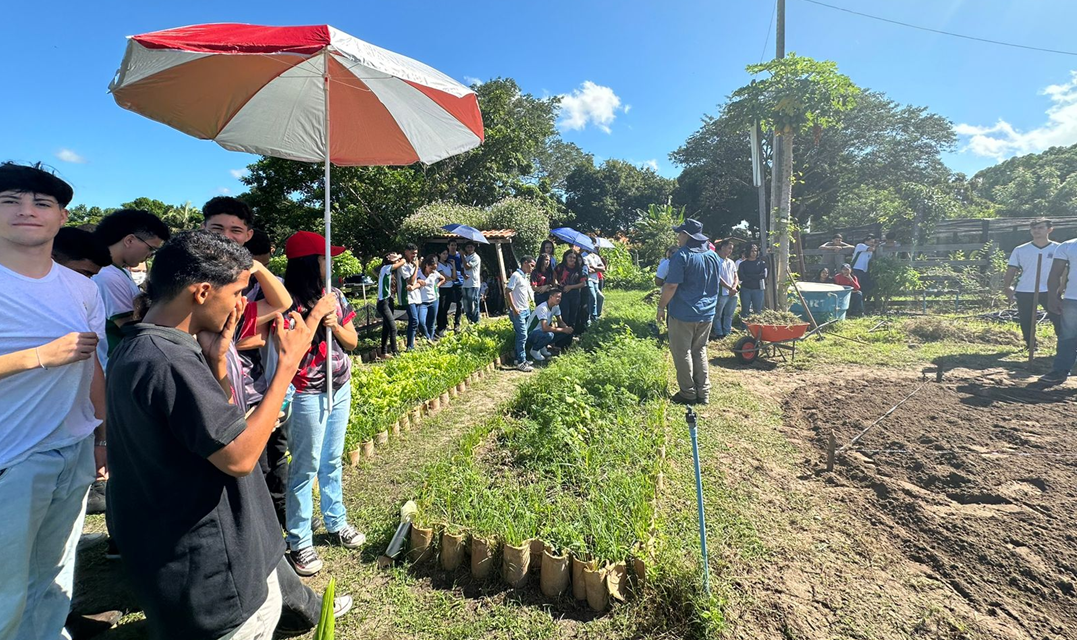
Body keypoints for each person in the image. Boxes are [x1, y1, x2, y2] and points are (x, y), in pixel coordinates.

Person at [104, 230, 307, 639]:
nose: (240, 305)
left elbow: (203, 427)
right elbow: (239, 457)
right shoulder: (170, 360)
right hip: (213, 571)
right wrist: (286, 367)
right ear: (201, 292)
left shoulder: (138, 345)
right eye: (237, 292)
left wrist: (215, 365)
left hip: (174, 559)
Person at [0, 163, 110, 640]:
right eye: (10, 201)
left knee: (55, 576)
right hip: (13, 458)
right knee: (7, 588)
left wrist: (104, 436)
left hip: (73, 447)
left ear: (63, 216)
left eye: (41, 203)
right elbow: (61, 357)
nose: (27, 211)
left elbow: (93, 367)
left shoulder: (83, 288)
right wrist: (40, 356)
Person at [281, 231, 366, 576]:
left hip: (339, 386)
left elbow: (352, 341)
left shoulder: (335, 296)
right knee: (305, 466)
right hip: (305, 392)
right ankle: (299, 540)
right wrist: (316, 317)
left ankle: (336, 520)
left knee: (332, 459)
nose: (329, 263)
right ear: (307, 263)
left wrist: (335, 323)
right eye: (323, 258)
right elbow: (289, 351)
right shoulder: (284, 301)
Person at [91, 209, 170, 365]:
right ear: (129, 240)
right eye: (151, 249)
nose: (150, 255)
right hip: (113, 364)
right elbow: (130, 327)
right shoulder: (107, 276)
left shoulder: (120, 271)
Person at [656, 218, 720, 405]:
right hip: (707, 313)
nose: (678, 237)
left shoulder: (682, 255)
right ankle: (703, 392)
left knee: (682, 352)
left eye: (680, 233)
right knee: (699, 350)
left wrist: (661, 307)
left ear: (687, 235)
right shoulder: (713, 256)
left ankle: (688, 393)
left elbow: (671, 285)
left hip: (683, 313)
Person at [1003, 219, 1060, 348]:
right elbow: (1012, 269)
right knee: (1026, 319)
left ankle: (1064, 345)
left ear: (1049, 229)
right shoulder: (1021, 250)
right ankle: (1031, 345)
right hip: (1026, 289)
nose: (1036, 231)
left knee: (1058, 318)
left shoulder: (1059, 248)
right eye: (1033, 228)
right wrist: (1007, 286)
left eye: (1040, 228)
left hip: (1050, 290)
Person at [525, 287, 573, 361]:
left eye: (560, 297)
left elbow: (560, 322)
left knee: (565, 332)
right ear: (551, 297)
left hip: (542, 332)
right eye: (557, 297)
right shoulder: (543, 308)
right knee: (549, 335)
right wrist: (563, 329)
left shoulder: (556, 307)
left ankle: (542, 346)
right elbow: (545, 327)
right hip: (532, 333)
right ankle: (534, 350)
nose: (559, 299)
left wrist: (567, 329)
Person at [506, 256, 536, 372]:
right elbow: (508, 291)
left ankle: (518, 357)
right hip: (518, 311)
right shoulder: (516, 275)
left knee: (523, 335)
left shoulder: (525, 276)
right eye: (531, 265)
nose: (532, 268)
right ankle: (521, 362)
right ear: (524, 263)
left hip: (526, 309)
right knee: (522, 335)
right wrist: (514, 309)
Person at [376, 252, 404, 358]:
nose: (397, 256)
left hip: (389, 301)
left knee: (386, 328)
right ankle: (395, 352)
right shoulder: (385, 268)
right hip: (383, 303)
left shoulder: (390, 271)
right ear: (388, 258)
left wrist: (397, 257)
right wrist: (399, 257)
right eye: (394, 255)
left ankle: (383, 352)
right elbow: (403, 261)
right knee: (393, 328)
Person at [554, 249, 587, 334]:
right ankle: (560, 341)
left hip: (575, 295)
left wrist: (571, 287)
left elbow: (583, 283)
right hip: (563, 295)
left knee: (573, 317)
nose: (572, 259)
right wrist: (556, 285)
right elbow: (554, 278)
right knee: (564, 316)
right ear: (565, 257)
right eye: (570, 257)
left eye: (574, 258)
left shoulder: (578, 269)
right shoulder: (560, 267)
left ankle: (568, 340)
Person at [711, 239, 739, 339]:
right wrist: (729, 287)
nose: (730, 251)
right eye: (729, 248)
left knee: (729, 314)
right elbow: (718, 278)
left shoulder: (731, 262)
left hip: (733, 292)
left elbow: (736, 275)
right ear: (722, 247)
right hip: (722, 292)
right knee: (718, 314)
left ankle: (727, 331)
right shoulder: (716, 260)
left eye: (731, 249)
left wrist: (734, 287)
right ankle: (719, 333)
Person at [396, 244, 422, 350]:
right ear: (406, 252)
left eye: (416, 254)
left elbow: (417, 279)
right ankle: (410, 347)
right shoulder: (402, 265)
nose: (414, 256)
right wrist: (416, 267)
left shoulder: (411, 264)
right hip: (407, 296)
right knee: (414, 320)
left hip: (415, 295)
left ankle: (411, 343)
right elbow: (410, 281)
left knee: (416, 321)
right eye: (412, 253)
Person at [418, 254, 445, 341]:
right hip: (422, 302)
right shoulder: (418, 272)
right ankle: (427, 337)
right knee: (421, 321)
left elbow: (443, 278)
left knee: (431, 323)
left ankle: (431, 339)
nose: (432, 271)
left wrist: (438, 285)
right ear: (426, 265)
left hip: (434, 300)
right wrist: (418, 280)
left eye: (435, 268)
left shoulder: (435, 273)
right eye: (431, 268)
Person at [737, 243, 766, 318]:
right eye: (752, 251)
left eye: (755, 251)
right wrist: (755, 276)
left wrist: (749, 276)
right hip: (745, 289)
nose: (754, 253)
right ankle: (744, 328)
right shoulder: (742, 264)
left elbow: (763, 275)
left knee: (757, 310)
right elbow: (741, 277)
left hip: (758, 289)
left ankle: (757, 329)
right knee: (745, 310)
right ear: (748, 251)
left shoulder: (761, 263)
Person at [435, 247, 457, 337]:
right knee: (441, 308)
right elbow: (443, 276)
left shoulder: (449, 265)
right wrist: (450, 279)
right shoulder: (438, 265)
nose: (445, 256)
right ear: (439, 254)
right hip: (442, 289)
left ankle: (444, 326)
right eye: (443, 254)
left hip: (449, 288)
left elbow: (454, 276)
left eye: (446, 254)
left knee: (446, 308)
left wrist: (454, 265)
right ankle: (440, 327)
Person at [850, 235, 877, 306]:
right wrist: (875, 246)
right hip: (856, 268)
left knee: (866, 285)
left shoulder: (870, 252)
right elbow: (871, 249)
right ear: (866, 241)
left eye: (873, 242)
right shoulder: (860, 246)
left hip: (864, 270)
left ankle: (863, 300)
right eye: (871, 242)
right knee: (856, 286)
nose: (872, 243)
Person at [460, 241, 481, 325]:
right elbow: (462, 268)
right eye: (468, 247)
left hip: (473, 284)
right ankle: (469, 321)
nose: (469, 249)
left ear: (474, 248)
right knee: (466, 305)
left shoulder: (476, 257)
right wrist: (463, 274)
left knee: (474, 304)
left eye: (471, 247)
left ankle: (476, 322)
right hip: (465, 283)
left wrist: (462, 255)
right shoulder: (466, 257)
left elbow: (467, 266)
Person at [584, 240, 605, 319]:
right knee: (593, 297)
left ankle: (596, 314)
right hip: (588, 280)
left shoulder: (595, 256)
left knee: (600, 297)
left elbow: (603, 268)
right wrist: (596, 269)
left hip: (596, 280)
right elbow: (587, 270)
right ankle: (593, 317)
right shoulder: (584, 256)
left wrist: (595, 268)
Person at [447, 239, 465, 332]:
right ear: (448, 246)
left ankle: (457, 324)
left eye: (455, 245)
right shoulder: (446, 256)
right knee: (447, 302)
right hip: (449, 282)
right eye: (452, 245)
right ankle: (444, 323)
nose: (453, 247)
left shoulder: (459, 255)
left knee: (459, 303)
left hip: (459, 282)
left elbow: (463, 267)